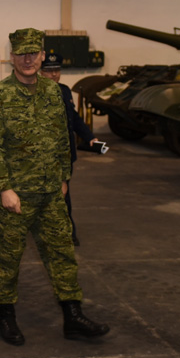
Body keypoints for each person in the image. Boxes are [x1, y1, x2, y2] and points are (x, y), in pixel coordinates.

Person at [0, 28, 109, 346]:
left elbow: (63, 137)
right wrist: (4, 188)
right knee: (9, 258)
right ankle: (6, 316)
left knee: (62, 254)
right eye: (21, 54)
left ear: (41, 55)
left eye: (33, 53)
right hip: (17, 195)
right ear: (12, 57)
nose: (28, 59)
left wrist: (64, 177)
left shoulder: (53, 92)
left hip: (51, 192)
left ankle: (73, 316)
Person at [39, 50, 108, 246]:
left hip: (66, 154)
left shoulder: (65, 91)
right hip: (45, 155)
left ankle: (67, 232)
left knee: (63, 194)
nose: (54, 74)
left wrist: (90, 138)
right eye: (49, 70)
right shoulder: (35, 93)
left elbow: (74, 119)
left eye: (57, 70)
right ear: (41, 72)